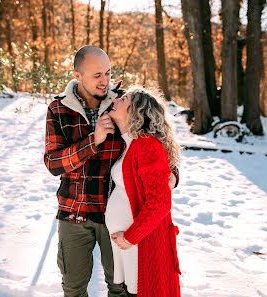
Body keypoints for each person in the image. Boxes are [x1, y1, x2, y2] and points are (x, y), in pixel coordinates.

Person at [43, 45, 179, 297]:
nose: (105, 81)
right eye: (97, 75)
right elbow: (53, 162)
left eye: (107, 73)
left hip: (115, 216)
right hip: (74, 211)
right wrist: (91, 142)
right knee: (73, 287)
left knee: (120, 288)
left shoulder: (122, 103)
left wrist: (172, 173)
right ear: (77, 75)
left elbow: (154, 140)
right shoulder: (59, 109)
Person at [105, 87, 182, 297]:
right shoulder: (131, 143)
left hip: (141, 244)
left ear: (135, 111)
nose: (118, 99)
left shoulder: (146, 145)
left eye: (125, 98)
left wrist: (130, 237)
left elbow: (160, 203)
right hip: (131, 245)